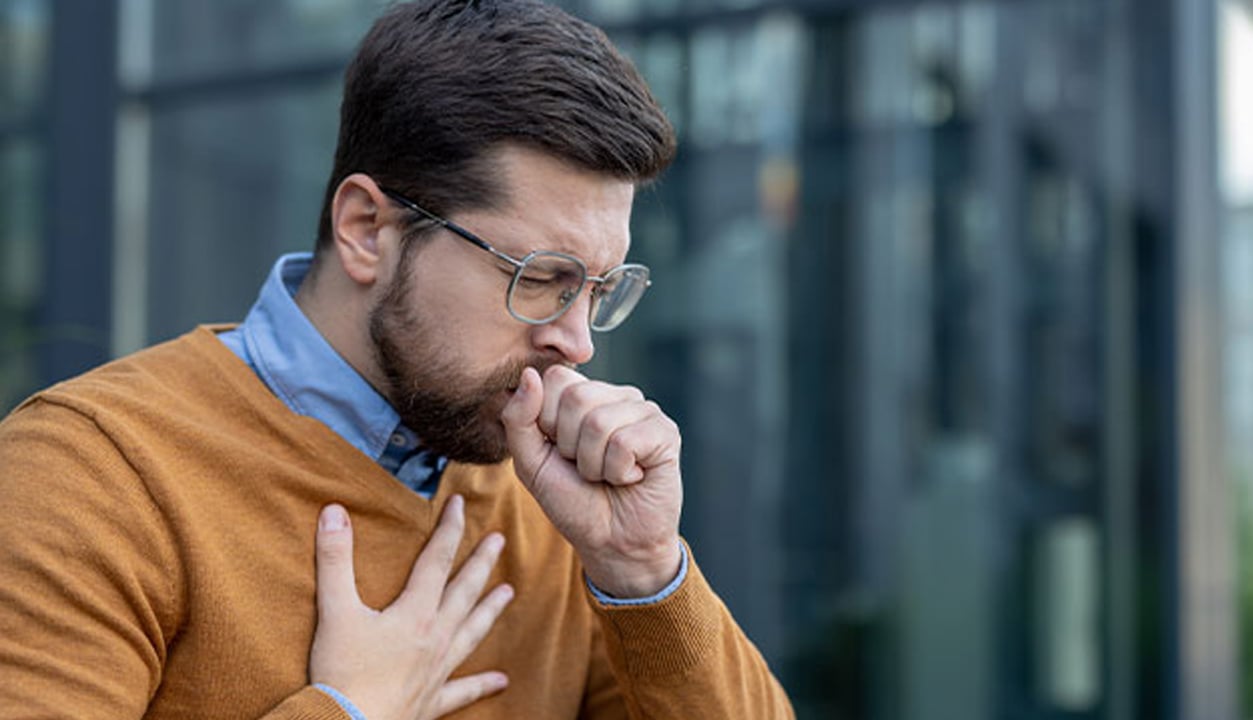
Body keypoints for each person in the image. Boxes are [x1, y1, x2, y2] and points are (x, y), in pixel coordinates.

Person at [0, 1, 793, 718]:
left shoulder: (556, 504)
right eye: (540, 278)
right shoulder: (88, 475)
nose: (578, 342)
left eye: (601, 288)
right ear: (367, 230)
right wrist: (347, 712)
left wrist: (643, 571)